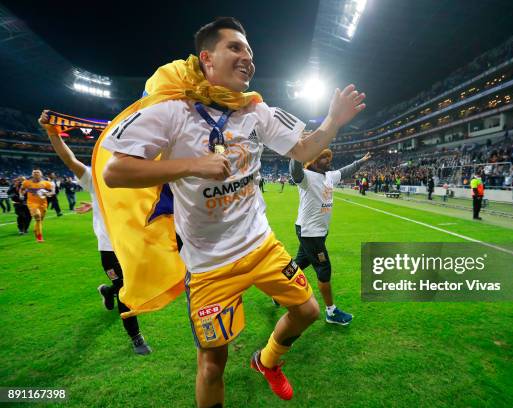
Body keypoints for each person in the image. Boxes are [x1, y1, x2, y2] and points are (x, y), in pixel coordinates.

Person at [100, 17, 366, 407]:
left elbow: (305, 151)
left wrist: (333, 121)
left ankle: (267, 361)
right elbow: (115, 171)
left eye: (251, 52)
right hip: (209, 266)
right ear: (207, 58)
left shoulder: (256, 111)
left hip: (261, 247)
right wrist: (192, 165)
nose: (248, 58)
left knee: (307, 310)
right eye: (236, 48)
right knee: (212, 363)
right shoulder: (172, 111)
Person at [38, 110, 152, 355]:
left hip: (133, 244)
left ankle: (106, 290)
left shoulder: (135, 175)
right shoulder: (93, 177)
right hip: (109, 247)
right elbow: (69, 160)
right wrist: (52, 133)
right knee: (125, 289)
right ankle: (136, 337)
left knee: (127, 285)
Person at [289, 150, 370, 325]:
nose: (328, 160)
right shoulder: (306, 177)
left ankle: (278, 294)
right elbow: (295, 171)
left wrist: (361, 161)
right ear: (314, 160)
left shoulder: (330, 176)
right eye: (324, 158)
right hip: (311, 233)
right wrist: (298, 151)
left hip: (318, 232)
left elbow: (346, 170)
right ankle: (331, 312)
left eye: (329, 158)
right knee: (324, 269)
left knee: (300, 263)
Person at [20, 169, 53, 242]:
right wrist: (21, 194)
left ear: (41, 174)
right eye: (34, 172)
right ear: (32, 174)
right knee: (37, 216)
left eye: (37, 172)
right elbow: (21, 189)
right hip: (32, 203)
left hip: (43, 204)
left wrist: (47, 194)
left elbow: (52, 192)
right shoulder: (26, 182)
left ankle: (36, 230)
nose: (36, 173)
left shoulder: (46, 183)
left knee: (40, 220)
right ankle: (39, 237)